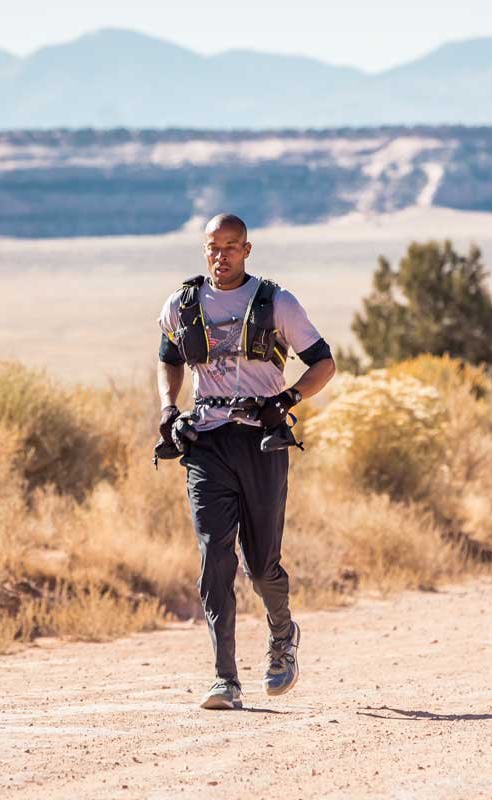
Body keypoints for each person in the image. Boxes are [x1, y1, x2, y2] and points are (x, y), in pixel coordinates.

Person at [157, 213, 336, 710]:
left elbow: (324, 362)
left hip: (260, 443)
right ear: (204, 249)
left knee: (261, 567)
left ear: (247, 249)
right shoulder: (182, 303)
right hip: (206, 443)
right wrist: (169, 408)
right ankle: (224, 679)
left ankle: (283, 635)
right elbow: (168, 358)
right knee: (215, 558)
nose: (221, 256)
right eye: (213, 247)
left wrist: (289, 398)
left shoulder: (276, 301)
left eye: (231, 247)